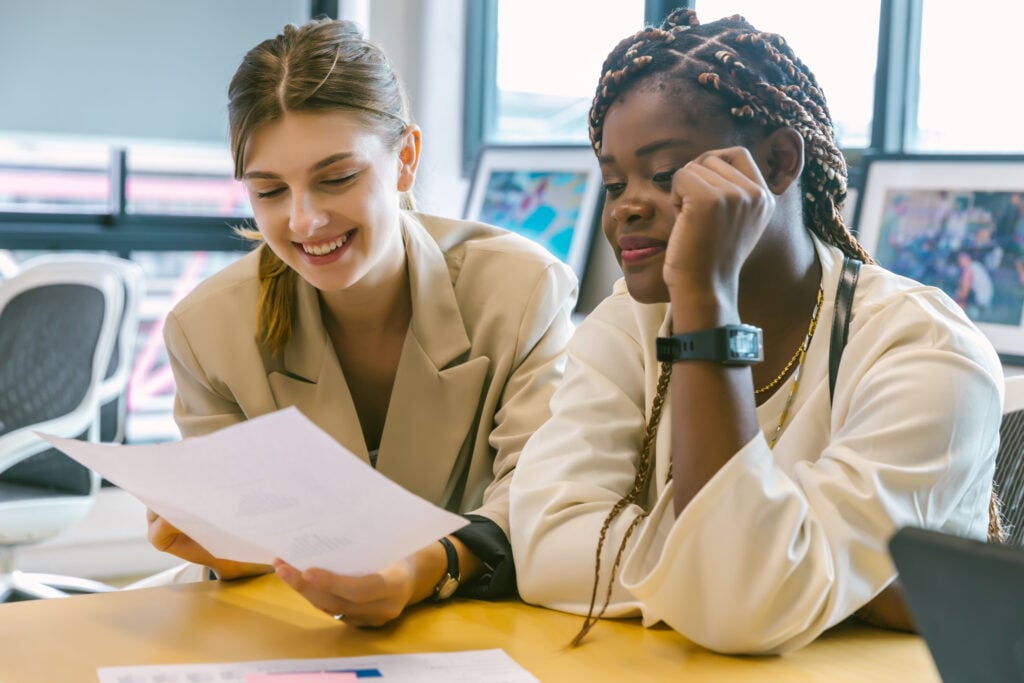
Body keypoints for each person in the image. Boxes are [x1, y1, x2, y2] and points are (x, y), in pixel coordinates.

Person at [508, 9, 1003, 655]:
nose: (627, 204)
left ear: (776, 162)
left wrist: (706, 298)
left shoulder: (925, 350)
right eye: (612, 180)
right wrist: (763, 572)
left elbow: (743, 607)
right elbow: (544, 545)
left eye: (664, 175)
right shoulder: (627, 324)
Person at [148, 18, 577, 626]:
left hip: (479, 627)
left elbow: (540, 497)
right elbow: (247, 542)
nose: (303, 221)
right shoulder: (206, 330)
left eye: (337, 178)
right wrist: (228, 548)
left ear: (405, 159)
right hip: (293, 634)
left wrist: (421, 569)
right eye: (270, 191)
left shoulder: (521, 290)